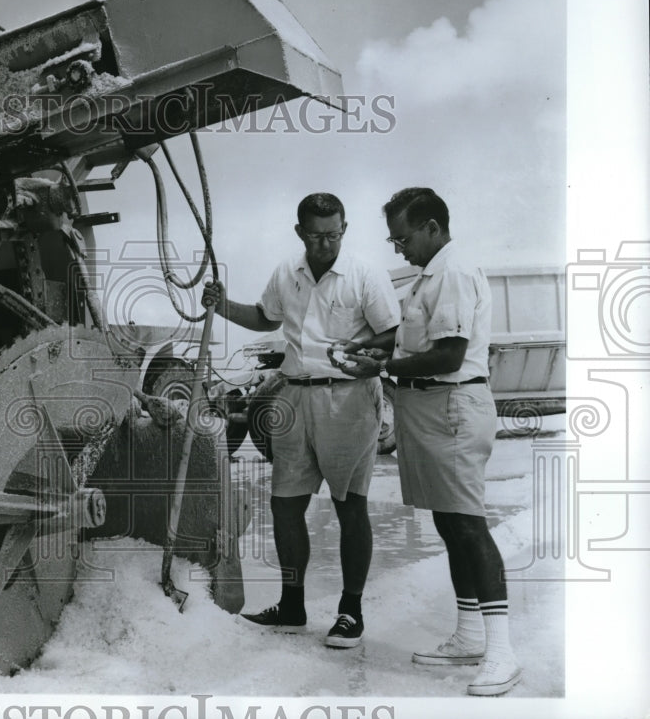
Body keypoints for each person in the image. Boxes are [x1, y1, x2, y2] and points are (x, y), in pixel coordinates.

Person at [332, 187, 521, 696]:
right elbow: (408, 339)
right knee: (450, 524)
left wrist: (383, 365)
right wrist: (366, 347)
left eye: (403, 238)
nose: (400, 248)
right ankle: (469, 634)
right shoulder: (428, 278)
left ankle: (501, 651)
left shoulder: (453, 273)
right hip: (430, 411)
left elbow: (449, 355)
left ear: (433, 227)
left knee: (467, 525)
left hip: (452, 408)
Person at [203, 192, 400, 647]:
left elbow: (392, 331)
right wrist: (223, 304)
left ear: (344, 230)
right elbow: (263, 317)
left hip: (347, 400)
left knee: (351, 506)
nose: (325, 244)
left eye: (333, 235)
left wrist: (367, 357)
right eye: (315, 235)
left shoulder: (365, 274)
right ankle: (292, 606)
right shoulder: (285, 273)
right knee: (285, 505)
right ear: (300, 232)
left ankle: (351, 613)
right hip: (294, 398)